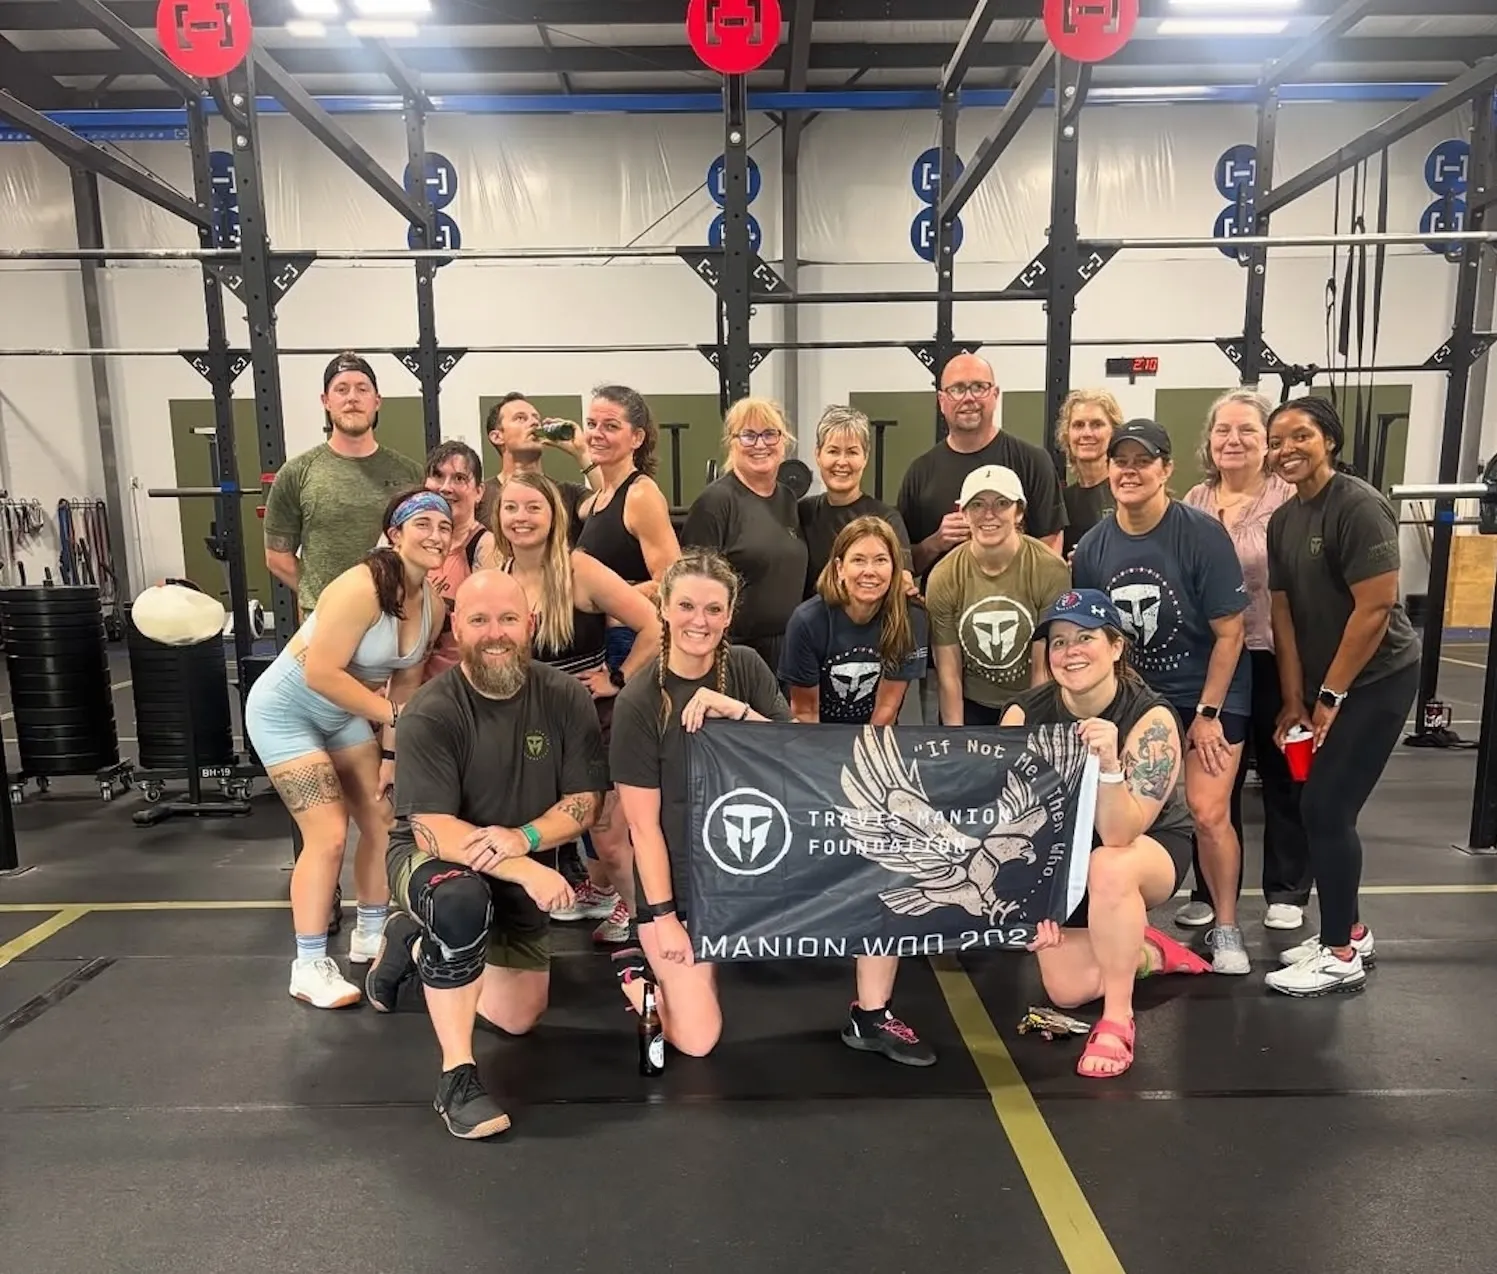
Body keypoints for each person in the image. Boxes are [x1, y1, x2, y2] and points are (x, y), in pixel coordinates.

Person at [364, 569, 610, 1139]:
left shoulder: (566, 697)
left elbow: (584, 803)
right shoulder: (430, 709)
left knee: (520, 1018)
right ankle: (457, 1075)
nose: (494, 632)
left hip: (513, 859)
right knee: (458, 900)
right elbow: (433, 828)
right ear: (457, 627)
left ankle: (414, 941)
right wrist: (522, 866)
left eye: (507, 618)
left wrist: (522, 841)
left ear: (533, 624)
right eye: (478, 620)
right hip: (431, 860)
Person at [244, 488, 451, 1009]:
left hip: (346, 715)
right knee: (329, 834)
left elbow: (404, 683)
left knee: (383, 821)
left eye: (444, 527)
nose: (435, 535)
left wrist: (391, 754)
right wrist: (392, 717)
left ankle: (372, 934)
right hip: (286, 711)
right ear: (395, 534)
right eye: (422, 523)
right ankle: (309, 963)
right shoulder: (360, 587)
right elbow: (320, 672)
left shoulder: (433, 604)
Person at [1002, 589, 1212, 1080]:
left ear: (1116, 647)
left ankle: (1118, 1017)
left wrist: (1111, 763)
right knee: (1065, 991)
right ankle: (1149, 950)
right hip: (1065, 857)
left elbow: (1119, 833)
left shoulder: (1152, 718)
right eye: (1058, 642)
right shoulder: (1022, 716)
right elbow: (1010, 823)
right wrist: (1033, 903)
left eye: (1085, 638)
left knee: (1110, 865)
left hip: (1143, 850)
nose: (1070, 651)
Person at [1071, 420, 1252, 976]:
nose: (1128, 471)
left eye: (1142, 461)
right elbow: (1095, 636)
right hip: (1136, 701)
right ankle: (1131, 923)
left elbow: (1231, 632)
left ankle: (1226, 927)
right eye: (1119, 461)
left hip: (1208, 694)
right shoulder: (1096, 546)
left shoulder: (1201, 535)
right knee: (1124, 820)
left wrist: (1207, 715)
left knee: (1206, 811)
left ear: (1166, 469)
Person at [1263, 396, 1420, 997]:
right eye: (1277, 442)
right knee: (1321, 809)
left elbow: (1376, 606)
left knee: (1326, 810)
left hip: (1378, 680)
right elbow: (1284, 613)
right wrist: (1295, 699)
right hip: (1327, 684)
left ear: (1329, 440)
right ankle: (1346, 926)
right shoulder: (1285, 519)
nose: (1286, 450)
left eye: (1300, 436)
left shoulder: (1357, 505)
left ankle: (1339, 951)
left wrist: (1331, 696)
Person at [608, 550, 792, 1059]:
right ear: (664, 607)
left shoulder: (748, 669)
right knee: (696, 1039)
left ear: (730, 615)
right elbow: (643, 829)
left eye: (713, 609)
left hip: (744, 874)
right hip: (683, 888)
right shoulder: (641, 701)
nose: (699, 621)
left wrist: (739, 711)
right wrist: (664, 916)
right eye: (686, 606)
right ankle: (634, 969)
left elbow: (798, 757)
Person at [779, 517, 936, 1064]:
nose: (870, 572)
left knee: (882, 861)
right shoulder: (809, 620)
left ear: (896, 569)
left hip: (870, 748)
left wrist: (868, 783)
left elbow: (886, 709)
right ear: (839, 567)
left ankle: (872, 1006)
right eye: (859, 560)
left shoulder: (910, 618)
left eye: (881, 561)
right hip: (815, 744)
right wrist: (825, 783)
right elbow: (804, 712)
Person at [495, 471, 662, 943]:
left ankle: (648, 924)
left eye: (534, 507)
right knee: (539, 829)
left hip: (590, 722)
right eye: (512, 508)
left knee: (609, 840)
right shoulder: (496, 573)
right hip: (527, 724)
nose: (522, 518)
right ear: (499, 515)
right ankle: (597, 898)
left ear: (554, 515)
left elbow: (654, 625)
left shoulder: (580, 570)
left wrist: (618, 677)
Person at [1179, 390, 1308, 932]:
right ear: (1209, 442)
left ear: (1266, 442)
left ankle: (1287, 890)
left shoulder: (1290, 500)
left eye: (1246, 431)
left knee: (1282, 773)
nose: (1233, 441)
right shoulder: (1193, 501)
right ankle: (1208, 888)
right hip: (1215, 660)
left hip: (1276, 654)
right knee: (1212, 778)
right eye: (1223, 431)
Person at [263, 352, 425, 616]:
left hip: (393, 617)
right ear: (326, 401)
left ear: (377, 401)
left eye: (362, 389)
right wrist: (327, 599)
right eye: (341, 389)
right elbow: (277, 557)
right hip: (324, 620)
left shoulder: (410, 473)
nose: (352, 397)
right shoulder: (296, 473)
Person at [897, 351, 1068, 586]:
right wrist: (936, 542)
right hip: (946, 613)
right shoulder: (920, 473)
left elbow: (1050, 547)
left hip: (1018, 608)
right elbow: (904, 562)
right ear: (941, 401)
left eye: (979, 387)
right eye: (957, 389)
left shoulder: (1033, 461)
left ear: (995, 394)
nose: (968, 398)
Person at [926, 466, 1071, 727]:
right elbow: (949, 675)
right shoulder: (944, 576)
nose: (989, 514)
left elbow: (1043, 669)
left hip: (1031, 702)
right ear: (964, 514)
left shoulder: (1049, 569)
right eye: (978, 504)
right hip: (972, 704)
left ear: (1019, 512)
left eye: (1001, 503)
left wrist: (1027, 734)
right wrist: (958, 743)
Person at [680, 397, 808, 671]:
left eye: (769, 434)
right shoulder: (715, 502)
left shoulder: (787, 498)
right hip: (734, 654)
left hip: (787, 651)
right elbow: (691, 587)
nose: (760, 444)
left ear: (784, 441)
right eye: (748, 436)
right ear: (732, 442)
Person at [575, 384, 682, 673]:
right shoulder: (599, 497)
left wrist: (610, 599)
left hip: (628, 642)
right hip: (600, 645)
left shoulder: (640, 495)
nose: (597, 433)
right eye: (591, 424)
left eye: (610, 426)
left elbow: (671, 578)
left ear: (636, 437)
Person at [797, 405, 912, 596]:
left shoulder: (886, 519)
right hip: (811, 624)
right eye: (833, 451)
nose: (842, 462)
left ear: (865, 457)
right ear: (818, 455)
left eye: (852, 452)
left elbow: (903, 581)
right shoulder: (801, 512)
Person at [422, 441, 503, 681]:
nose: (445, 488)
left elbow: (490, 633)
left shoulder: (485, 547)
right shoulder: (400, 539)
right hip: (404, 690)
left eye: (459, 478)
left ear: (479, 492)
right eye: (438, 476)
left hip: (459, 690)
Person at [476, 392, 602, 545]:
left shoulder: (568, 493)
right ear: (497, 436)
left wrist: (582, 453)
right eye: (521, 418)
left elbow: (611, 508)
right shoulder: (481, 497)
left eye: (536, 418)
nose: (534, 423)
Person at [1055, 389, 1121, 558]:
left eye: (1097, 424)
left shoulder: (1126, 493)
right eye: (1078, 425)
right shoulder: (1061, 500)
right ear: (1067, 434)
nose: (1086, 433)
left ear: (1114, 432)